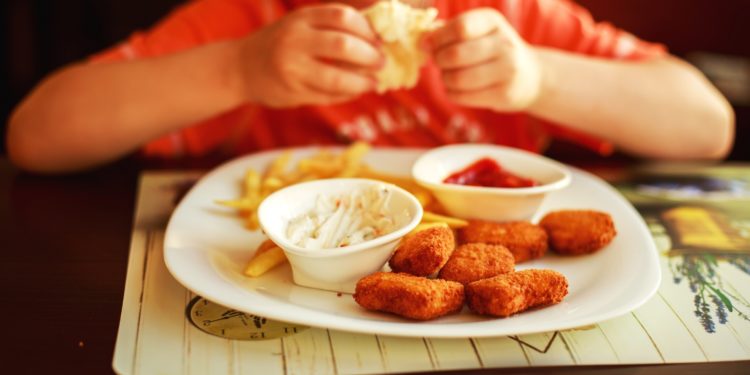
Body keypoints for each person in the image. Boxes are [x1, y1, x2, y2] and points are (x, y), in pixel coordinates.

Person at [6, 0, 735, 173]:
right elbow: (35, 136)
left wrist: (539, 78)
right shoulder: (248, 21)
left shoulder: (513, 19)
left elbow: (706, 127)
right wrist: (236, 69)